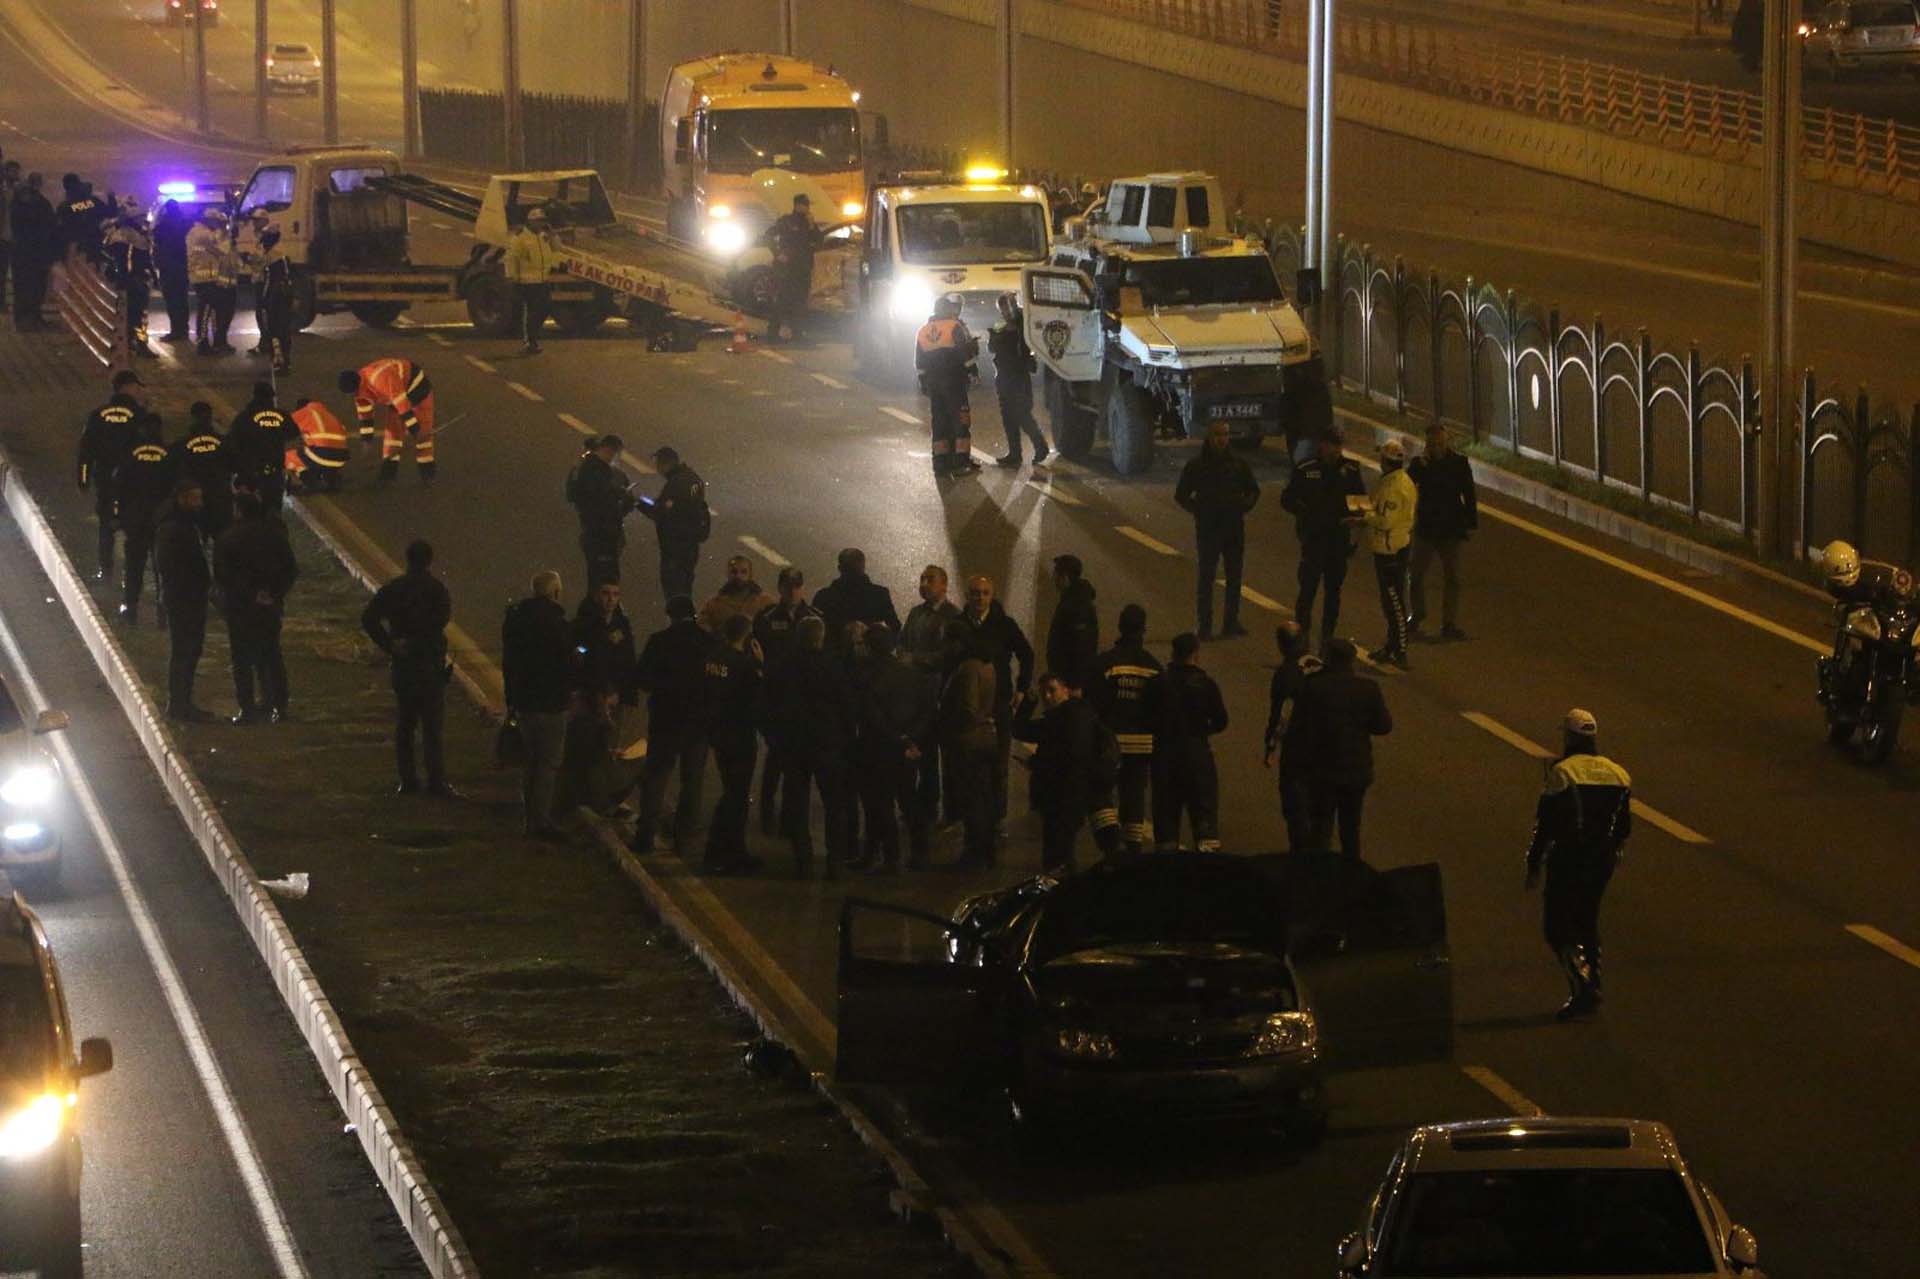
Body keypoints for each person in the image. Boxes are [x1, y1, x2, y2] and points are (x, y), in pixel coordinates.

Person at [1524, 708, 1632, 1020]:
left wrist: (1534, 862)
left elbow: (1546, 823)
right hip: (1602, 860)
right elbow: (1623, 826)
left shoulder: (1563, 773)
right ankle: (1593, 980)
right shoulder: (1618, 773)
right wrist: (1613, 850)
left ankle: (1582, 985)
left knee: (1557, 927)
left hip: (1569, 858)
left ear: (1569, 736)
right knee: (1587, 919)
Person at [362, 540, 455, 797]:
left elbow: (368, 618)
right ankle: (436, 781)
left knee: (406, 723)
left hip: (404, 665)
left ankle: (408, 780)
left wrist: (390, 644)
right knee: (432, 727)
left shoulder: (394, 589)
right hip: (429, 663)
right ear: (429, 560)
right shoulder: (437, 590)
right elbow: (440, 622)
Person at [767, 615, 856, 877]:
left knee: (796, 803)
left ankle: (803, 860)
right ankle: (835, 862)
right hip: (827, 744)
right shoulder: (832, 666)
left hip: (793, 745)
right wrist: (846, 737)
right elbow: (847, 705)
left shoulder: (783, 666)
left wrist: (775, 737)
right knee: (834, 804)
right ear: (821, 637)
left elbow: (767, 705)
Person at [1287, 638, 1390, 856]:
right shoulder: (1368, 688)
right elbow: (1383, 726)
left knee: (1321, 828)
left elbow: (1299, 728)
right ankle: (1351, 875)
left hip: (1323, 771)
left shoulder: (1314, 687)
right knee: (1351, 828)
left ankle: (1320, 877)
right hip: (1356, 771)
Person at [1014, 671, 1122, 873]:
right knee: (1063, 849)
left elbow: (1066, 756)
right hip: (1071, 793)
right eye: (1043, 692)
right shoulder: (1072, 716)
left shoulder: (1069, 719)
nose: (1047, 697)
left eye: (1051, 690)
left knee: (1058, 854)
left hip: (1065, 794)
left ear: (1066, 691)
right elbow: (1021, 731)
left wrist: (1037, 763)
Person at [631, 595, 713, 855]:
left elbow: (642, 679)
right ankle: (684, 839)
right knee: (692, 781)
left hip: (665, 719)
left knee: (656, 777)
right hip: (698, 721)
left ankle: (645, 836)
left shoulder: (659, 641)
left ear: (670, 615)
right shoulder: (707, 642)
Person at [854, 626, 937, 872]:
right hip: (908, 749)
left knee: (879, 805)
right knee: (909, 801)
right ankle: (920, 853)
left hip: (879, 748)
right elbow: (927, 710)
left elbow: (872, 717)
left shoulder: (867, 678)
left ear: (869, 648)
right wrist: (911, 739)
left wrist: (897, 738)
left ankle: (887, 856)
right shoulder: (912, 674)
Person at [958, 574, 1034, 833]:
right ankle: (968, 816)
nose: (980, 598)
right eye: (975, 593)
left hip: (999, 703)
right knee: (966, 763)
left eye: (985, 593)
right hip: (967, 706)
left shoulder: (1004, 625)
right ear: (967, 596)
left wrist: (1022, 689)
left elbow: (1026, 654)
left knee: (999, 764)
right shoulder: (958, 624)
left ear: (991, 595)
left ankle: (996, 816)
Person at [213, 490, 297, 725]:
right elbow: (290, 568)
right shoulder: (275, 536)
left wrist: (250, 595)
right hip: (270, 606)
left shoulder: (228, 538)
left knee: (241, 658)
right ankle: (278, 706)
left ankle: (247, 708)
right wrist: (274, 594)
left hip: (240, 607)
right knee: (271, 655)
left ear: (238, 511)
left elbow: (223, 575)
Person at [502, 570, 574, 839]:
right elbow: (567, 662)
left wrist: (511, 698)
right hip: (551, 702)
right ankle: (539, 821)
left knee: (531, 761)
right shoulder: (557, 623)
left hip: (523, 700)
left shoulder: (515, 619)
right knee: (548, 763)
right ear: (555, 592)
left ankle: (530, 816)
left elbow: (509, 662)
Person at [1282, 426, 1366, 651]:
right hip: (1313, 539)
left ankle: (1327, 640)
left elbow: (1360, 501)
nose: (1336, 450)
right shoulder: (1306, 469)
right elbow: (1288, 499)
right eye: (1332, 445)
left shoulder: (1351, 469)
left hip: (1338, 540)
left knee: (1333, 593)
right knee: (1307, 592)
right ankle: (1301, 641)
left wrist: (1357, 521)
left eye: (1339, 446)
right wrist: (1307, 513)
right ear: (1322, 445)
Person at [1175, 419, 1261, 639]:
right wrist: (1199, 511)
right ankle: (1205, 625)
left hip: (1233, 527)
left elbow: (1253, 490)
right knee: (1206, 577)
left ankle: (1230, 623)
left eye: (1225, 434)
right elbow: (1181, 495)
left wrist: (1243, 507)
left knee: (1234, 577)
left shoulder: (1238, 465)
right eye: (1218, 434)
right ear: (1209, 437)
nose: (1222, 439)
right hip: (1209, 529)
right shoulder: (1197, 466)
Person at [1088, 603, 1162, 853]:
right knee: (1134, 798)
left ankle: (1110, 846)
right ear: (1144, 630)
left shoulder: (1106, 663)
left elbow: (1093, 703)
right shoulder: (1154, 668)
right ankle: (1133, 849)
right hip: (1142, 745)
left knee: (1099, 792)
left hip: (1110, 742)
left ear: (1120, 627)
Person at [751, 567, 818, 838]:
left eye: (797, 586)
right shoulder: (766, 619)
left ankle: (792, 819)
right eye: (788, 586)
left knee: (798, 765)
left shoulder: (814, 618)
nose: (792, 591)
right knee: (776, 759)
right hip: (776, 699)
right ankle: (767, 814)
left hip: (803, 702)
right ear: (780, 588)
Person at [1152, 633, 1229, 851]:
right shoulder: (1205, 684)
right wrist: (1204, 729)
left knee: (1166, 827)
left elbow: (1146, 717)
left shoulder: (1159, 683)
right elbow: (1221, 721)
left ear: (1173, 653)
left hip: (1165, 759)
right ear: (1196, 654)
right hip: (1197, 757)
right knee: (1204, 824)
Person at [701, 613, 764, 874]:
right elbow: (757, 698)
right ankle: (727, 852)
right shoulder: (744, 664)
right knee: (736, 797)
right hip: (739, 736)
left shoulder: (714, 658)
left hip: (719, 735)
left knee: (732, 792)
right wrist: (760, 664)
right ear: (747, 637)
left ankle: (721, 851)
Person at [901, 565, 961, 824]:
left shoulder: (953, 617)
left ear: (944, 585)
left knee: (943, 756)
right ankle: (921, 806)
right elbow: (903, 641)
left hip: (939, 695)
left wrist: (916, 660)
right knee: (920, 752)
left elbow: (950, 654)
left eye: (930, 580)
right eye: (922, 579)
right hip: (915, 695)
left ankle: (945, 810)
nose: (924, 584)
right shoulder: (916, 613)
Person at [1405, 424, 1477, 641]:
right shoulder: (1420, 464)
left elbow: (1469, 494)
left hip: (1450, 528)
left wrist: (1470, 522)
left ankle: (1449, 623)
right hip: (1426, 527)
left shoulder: (1459, 463)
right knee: (1415, 574)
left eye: (1440, 443)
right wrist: (1419, 466)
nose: (1436, 448)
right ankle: (1417, 614)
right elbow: (1406, 487)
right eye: (1432, 444)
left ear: (1447, 442)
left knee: (1453, 577)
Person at [940, 621, 1001, 869]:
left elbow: (968, 708)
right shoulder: (988, 666)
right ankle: (985, 850)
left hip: (968, 741)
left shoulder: (967, 669)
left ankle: (974, 854)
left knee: (971, 801)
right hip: (985, 738)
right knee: (983, 799)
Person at [154, 480, 213, 722]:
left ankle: (183, 702)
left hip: (190, 596)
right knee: (184, 650)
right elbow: (170, 566)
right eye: (195, 498)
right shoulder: (173, 528)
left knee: (191, 649)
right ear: (183, 499)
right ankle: (179, 705)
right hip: (183, 598)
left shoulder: (185, 524)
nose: (200, 503)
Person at [76, 370, 144, 582]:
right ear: (125, 387)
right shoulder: (140, 415)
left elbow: (85, 449)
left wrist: (83, 479)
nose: (137, 390)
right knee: (135, 528)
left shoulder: (98, 414)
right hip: (133, 481)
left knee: (106, 525)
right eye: (135, 386)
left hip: (105, 478)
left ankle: (105, 570)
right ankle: (131, 576)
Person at [1262, 621, 1323, 852]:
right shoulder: (1320, 665)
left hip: (1299, 748)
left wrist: (1270, 747)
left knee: (1295, 808)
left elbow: (1280, 716)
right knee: (1320, 810)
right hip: (1326, 746)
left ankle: (1301, 857)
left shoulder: (1286, 674)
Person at [110, 411, 176, 626]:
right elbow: (176, 487)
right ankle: (163, 611)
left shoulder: (129, 454)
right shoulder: (169, 454)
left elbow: (118, 487)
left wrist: (117, 516)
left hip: (135, 520)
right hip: (161, 521)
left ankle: (130, 607)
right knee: (163, 567)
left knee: (134, 567)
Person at [1363, 437, 1418, 668]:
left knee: (1394, 603)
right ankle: (1390, 645)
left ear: (1385, 460)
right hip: (1393, 546)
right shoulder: (1397, 481)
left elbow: (1385, 520)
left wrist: (1364, 515)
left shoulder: (1394, 487)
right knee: (1389, 601)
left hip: (1390, 550)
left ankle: (1400, 649)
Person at [339, 358, 437, 484]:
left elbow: (404, 407)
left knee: (423, 435)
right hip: (395, 395)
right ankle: (388, 474)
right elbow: (365, 418)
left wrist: (416, 431)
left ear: (358, 385)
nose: (354, 396)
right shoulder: (358, 392)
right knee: (392, 434)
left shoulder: (380, 379)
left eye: (353, 393)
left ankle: (428, 474)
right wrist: (367, 446)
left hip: (417, 389)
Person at [915, 293, 981, 477]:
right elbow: (965, 354)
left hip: (934, 384)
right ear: (947, 309)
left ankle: (940, 462)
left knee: (939, 421)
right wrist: (973, 371)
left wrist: (923, 382)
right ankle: (960, 461)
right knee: (960, 420)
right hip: (954, 381)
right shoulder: (954, 326)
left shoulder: (923, 330)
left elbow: (919, 361)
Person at [566, 434, 638, 589]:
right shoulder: (602, 472)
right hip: (604, 532)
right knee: (607, 577)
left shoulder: (581, 469)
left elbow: (572, 496)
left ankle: (598, 606)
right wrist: (619, 496)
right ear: (609, 450)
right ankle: (605, 608)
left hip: (592, 531)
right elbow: (605, 501)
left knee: (596, 575)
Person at [639, 445, 709, 604]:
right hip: (691, 545)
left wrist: (638, 503)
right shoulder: (693, 478)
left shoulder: (676, 483)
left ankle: (678, 623)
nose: (657, 469)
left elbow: (660, 512)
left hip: (675, 546)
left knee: (674, 592)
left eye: (658, 465)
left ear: (665, 464)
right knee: (686, 588)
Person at [987, 292, 1048, 467]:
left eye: (1008, 307)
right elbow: (992, 347)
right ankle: (1015, 454)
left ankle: (1040, 446)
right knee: (1008, 416)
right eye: (1003, 309)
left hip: (1019, 374)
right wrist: (999, 333)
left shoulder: (1025, 322)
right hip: (1004, 374)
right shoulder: (1001, 324)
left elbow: (1031, 341)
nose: (1005, 312)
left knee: (1022, 414)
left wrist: (1013, 326)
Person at [571, 580, 638, 716]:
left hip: (615, 694)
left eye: (615, 594)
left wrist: (622, 692)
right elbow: (580, 655)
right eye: (605, 593)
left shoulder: (622, 626)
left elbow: (629, 660)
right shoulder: (583, 626)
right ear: (596, 596)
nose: (611, 599)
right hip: (589, 694)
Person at [812, 547, 901, 649]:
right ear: (863, 566)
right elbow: (894, 630)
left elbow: (815, 634)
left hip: (835, 660)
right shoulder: (880, 594)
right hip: (872, 659)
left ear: (840, 568)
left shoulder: (824, 597)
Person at [169, 400, 233, 538]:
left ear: (193, 418)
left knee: (195, 540)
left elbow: (173, 469)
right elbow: (234, 463)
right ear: (210, 417)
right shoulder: (223, 442)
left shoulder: (181, 444)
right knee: (223, 539)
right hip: (220, 497)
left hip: (194, 500)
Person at [227, 382, 293, 512]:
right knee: (273, 512)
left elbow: (232, 440)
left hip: (251, 473)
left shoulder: (244, 417)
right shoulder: (281, 415)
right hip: (274, 474)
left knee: (251, 513)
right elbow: (293, 433)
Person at [763, 193, 820, 343]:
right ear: (797, 205)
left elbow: (819, 241)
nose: (807, 208)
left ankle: (797, 333)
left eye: (808, 205)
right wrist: (778, 253)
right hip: (786, 268)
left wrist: (812, 226)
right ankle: (773, 333)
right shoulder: (787, 221)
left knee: (800, 301)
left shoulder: (809, 223)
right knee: (783, 300)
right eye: (804, 205)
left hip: (803, 268)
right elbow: (768, 236)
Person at [103, 202, 156, 359]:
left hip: (136, 280)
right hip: (132, 281)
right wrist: (130, 279)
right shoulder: (126, 237)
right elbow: (125, 262)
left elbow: (145, 259)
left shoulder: (132, 235)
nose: (143, 221)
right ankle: (137, 345)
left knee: (136, 317)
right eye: (140, 219)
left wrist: (152, 276)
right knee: (136, 317)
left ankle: (134, 344)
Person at [1045, 554, 1100, 690]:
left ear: (1065, 577)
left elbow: (1082, 648)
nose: (1053, 578)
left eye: (1056, 574)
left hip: (1071, 683)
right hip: (1065, 680)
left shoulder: (1077, 605)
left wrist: (1076, 685)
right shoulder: (1072, 600)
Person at [9, 172, 55, 329]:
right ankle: (26, 319)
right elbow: (48, 226)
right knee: (27, 288)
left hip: (31, 253)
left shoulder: (34, 204)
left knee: (35, 288)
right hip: (30, 254)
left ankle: (31, 318)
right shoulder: (34, 205)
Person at [251, 216, 296, 373]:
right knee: (283, 331)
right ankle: (284, 361)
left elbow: (271, 280)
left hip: (275, 298)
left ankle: (280, 362)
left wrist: (264, 299)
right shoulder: (282, 253)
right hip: (284, 296)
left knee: (275, 331)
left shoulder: (273, 256)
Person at [185, 206, 230, 354]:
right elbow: (223, 250)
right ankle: (202, 343)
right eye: (216, 221)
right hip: (205, 278)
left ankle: (204, 342)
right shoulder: (205, 235)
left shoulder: (194, 231)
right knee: (205, 312)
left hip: (200, 276)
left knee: (206, 310)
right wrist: (225, 230)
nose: (217, 224)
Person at [286, 397, 350, 494]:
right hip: (341, 458)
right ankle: (330, 480)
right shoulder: (329, 415)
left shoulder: (305, 412)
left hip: (323, 454)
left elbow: (284, 425)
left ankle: (310, 484)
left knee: (290, 456)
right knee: (310, 454)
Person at [698, 554, 775, 633]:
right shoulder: (714, 605)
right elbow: (701, 628)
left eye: (743, 572)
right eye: (734, 572)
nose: (738, 576)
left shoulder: (765, 602)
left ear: (750, 575)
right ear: (728, 574)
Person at [151, 197, 192, 343]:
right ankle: (183, 329)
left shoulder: (162, 226)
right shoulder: (184, 224)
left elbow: (156, 244)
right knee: (182, 300)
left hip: (168, 267)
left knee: (172, 301)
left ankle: (176, 330)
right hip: (181, 266)